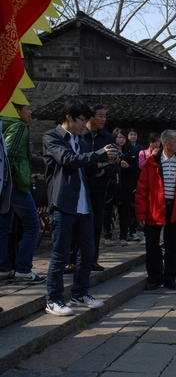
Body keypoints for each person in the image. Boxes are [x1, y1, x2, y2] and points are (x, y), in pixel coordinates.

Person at [43, 99, 118, 316]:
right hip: (63, 203)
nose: (84, 125)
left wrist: (109, 161)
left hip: (84, 204)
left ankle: (79, 292)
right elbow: (67, 160)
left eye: (86, 121)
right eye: (81, 120)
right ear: (69, 117)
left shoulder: (82, 142)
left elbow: (88, 167)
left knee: (87, 253)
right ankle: (53, 299)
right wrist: (98, 155)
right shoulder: (52, 137)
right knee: (61, 254)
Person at [135, 129, 176, 291]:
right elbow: (142, 190)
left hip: (175, 209)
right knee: (152, 245)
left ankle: (170, 278)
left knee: (172, 245)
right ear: (166, 143)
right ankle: (154, 278)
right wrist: (141, 213)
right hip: (154, 209)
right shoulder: (151, 162)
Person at [0, 103, 45, 284]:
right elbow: (8, 155)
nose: (31, 112)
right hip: (16, 184)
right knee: (33, 225)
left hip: (6, 186)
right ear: (17, 111)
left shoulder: (5, 124)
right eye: (27, 109)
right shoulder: (18, 126)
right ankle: (24, 268)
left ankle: (3, 267)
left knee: (4, 228)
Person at [74, 103, 115, 273]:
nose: (104, 119)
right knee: (77, 224)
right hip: (80, 187)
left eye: (105, 116)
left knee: (96, 224)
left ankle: (92, 259)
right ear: (90, 117)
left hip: (99, 187)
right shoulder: (79, 136)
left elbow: (115, 163)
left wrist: (105, 169)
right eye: (100, 116)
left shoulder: (108, 138)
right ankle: (74, 258)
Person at [103, 128, 136, 244]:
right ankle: (107, 236)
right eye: (119, 137)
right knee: (107, 210)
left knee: (124, 211)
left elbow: (134, 169)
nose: (121, 140)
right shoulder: (109, 151)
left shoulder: (128, 152)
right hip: (111, 184)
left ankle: (123, 236)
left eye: (123, 137)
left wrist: (127, 166)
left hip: (124, 185)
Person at [126, 128, 143, 242]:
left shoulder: (140, 149)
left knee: (135, 206)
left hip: (137, 177)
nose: (133, 137)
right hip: (126, 179)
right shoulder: (125, 148)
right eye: (131, 134)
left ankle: (134, 229)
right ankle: (127, 230)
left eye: (134, 134)